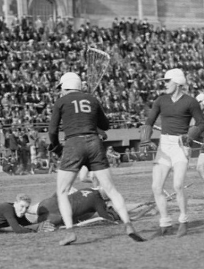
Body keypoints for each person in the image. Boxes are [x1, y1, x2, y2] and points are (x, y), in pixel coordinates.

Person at [48, 71, 143, 246]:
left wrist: (55, 146)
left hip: (74, 144)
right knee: (111, 189)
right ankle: (129, 225)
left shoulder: (61, 101)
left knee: (62, 191)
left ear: (65, 87)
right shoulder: (92, 99)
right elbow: (105, 125)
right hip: (94, 143)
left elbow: (52, 131)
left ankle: (70, 232)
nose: (60, 91)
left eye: (60, 88)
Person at [139, 68, 204, 238]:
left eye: (167, 81)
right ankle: (165, 223)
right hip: (164, 145)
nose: (165, 84)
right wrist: (145, 139)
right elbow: (149, 122)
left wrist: (189, 136)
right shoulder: (161, 100)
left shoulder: (190, 102)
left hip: (180, 146)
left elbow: (201, 123)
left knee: (177, 185)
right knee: (156, 186)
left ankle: (183, 220)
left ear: (177, 83)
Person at [25, 187, 121, 231]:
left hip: (51, 202)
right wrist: (115, 217)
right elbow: (105, 218)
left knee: (28, 210)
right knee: (32, 224)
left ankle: (16, 207)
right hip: (57, 216)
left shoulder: (88, 189)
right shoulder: (99, 202)